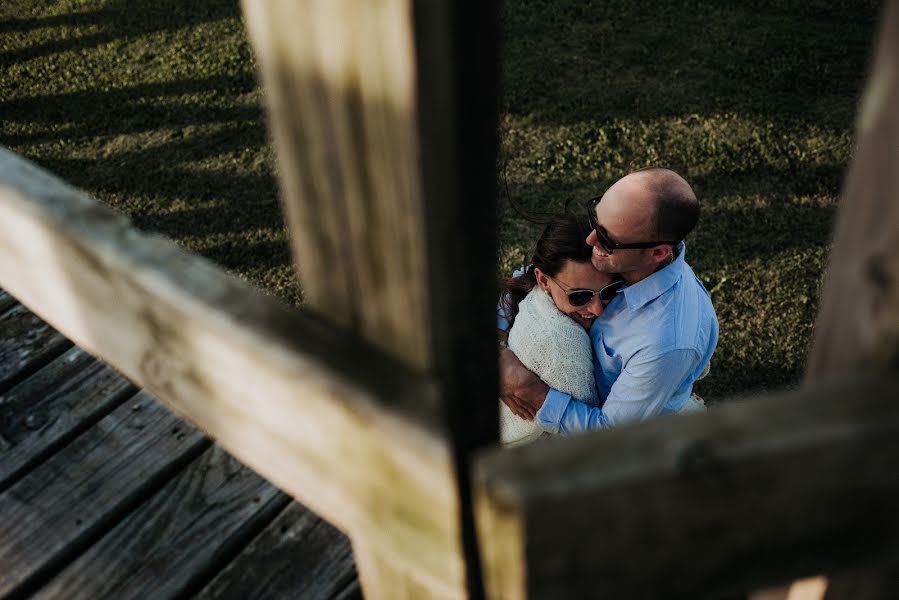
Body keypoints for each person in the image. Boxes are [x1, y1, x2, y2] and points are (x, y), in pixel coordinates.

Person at [500, 167, 718, 432]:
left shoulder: (665, 344)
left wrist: (526, 387)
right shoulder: (620, 258)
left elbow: (609, 433)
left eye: (606, 239)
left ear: (658, 252)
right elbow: (526, 282)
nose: (591, 240)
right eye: (595, 223)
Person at [497, 214, 622, 445]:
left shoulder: (549, 284)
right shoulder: (564, 350)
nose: (597, 309)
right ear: (543, 281)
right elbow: (597, 439)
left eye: (609, 291)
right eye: (579, 296)